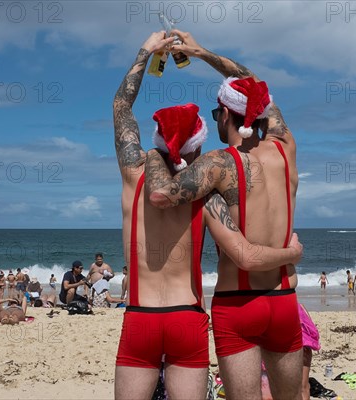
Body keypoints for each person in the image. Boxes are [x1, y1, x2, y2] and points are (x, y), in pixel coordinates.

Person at [112, 32, 303, 400]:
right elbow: (253, 85)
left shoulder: (212, 171)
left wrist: (147, 52)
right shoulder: (285, 146)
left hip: (212, 307)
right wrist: (199, 53)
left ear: (227, 114)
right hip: (274, 300)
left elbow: (122, 107)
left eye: (217, 112)